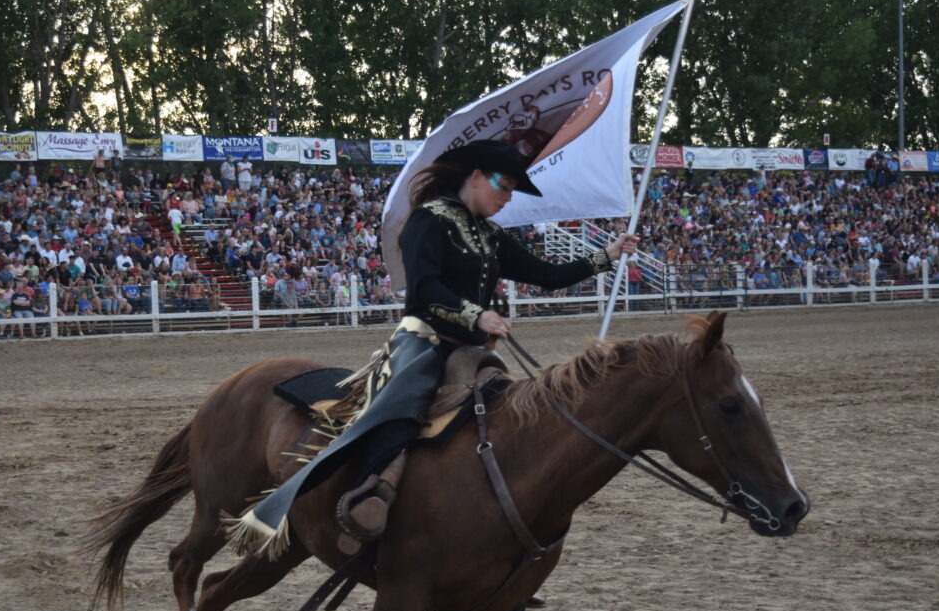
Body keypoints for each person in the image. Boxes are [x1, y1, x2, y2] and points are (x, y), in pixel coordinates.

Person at [235, 140, 638, 558]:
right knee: (401, 406)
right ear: (476, 176)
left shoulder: (489, 234)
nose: (507, 197)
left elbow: (546, 274)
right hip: (422, 342)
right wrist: (477, 316)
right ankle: (367, 494)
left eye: (512, 191)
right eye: (503, 185)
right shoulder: (427, 220)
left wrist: (606, 255)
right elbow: (425, 288)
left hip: (472, 352)